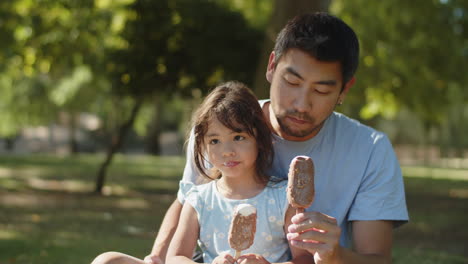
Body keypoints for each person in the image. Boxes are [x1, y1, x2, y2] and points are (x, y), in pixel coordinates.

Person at [92, 12, 408, 264]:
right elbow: (187, 198)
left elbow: (377, 259)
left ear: (344, 90)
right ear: (272, 66)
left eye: (322, 91)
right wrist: (158, 256)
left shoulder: (371, 150)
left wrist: (332, 255)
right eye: (291, 81)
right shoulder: (220, 126)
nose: (301, 103)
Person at [165, 81, 313, 264]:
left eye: (238, 137)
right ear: (202, 144)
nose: (227, 151)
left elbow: (305, 259)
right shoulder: (198, 200)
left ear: (259, 137)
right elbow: (174, 258)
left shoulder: (283, 199)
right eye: (215, 141)